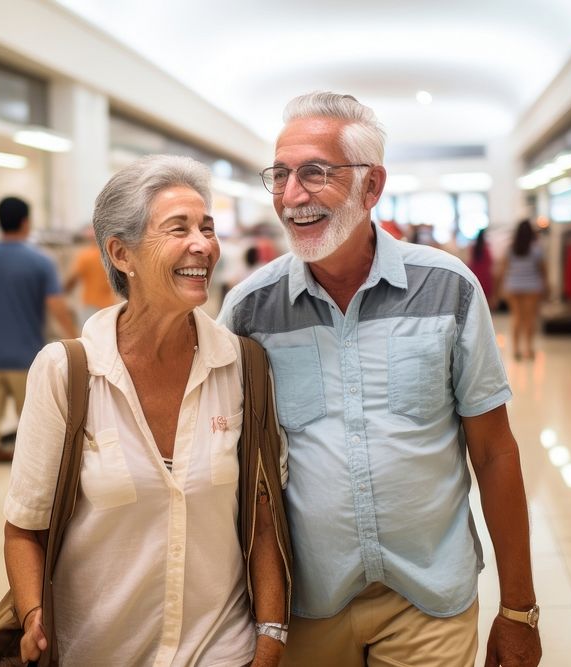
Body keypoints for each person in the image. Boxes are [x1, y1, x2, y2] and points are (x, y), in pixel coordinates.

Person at [219, 92, 541, 666]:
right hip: (303, 608)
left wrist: (519, 609)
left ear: (372, 186)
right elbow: (227, 468)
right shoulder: (249, 311)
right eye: (281, 175)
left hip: (428, 600)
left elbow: (494, 453)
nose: (292, 196)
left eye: (315, 173)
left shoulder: (448, 290)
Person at [4, 155, 291, 666]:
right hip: (97, 652)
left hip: (220, 648)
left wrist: (269, 641)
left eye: (207, 227)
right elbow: (24, 527)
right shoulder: (67, 371)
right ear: (122, 254)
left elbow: (263, 519)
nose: (202, 245)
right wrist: (32, 618)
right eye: (178, 228)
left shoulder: (241, 366)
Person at [0, 196, 76, 512]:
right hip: (27, 363)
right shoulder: (40, 262)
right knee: (36, 428)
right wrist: (79, 344)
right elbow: (57, 308)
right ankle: (39, 496)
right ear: (26, 221)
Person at [498, 220, 548, 360]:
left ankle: (515, 350)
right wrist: (546, 286)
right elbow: (543, 270)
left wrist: (501, 288)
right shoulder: (536, 249)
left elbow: (503, 269)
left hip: (513, 286)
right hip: (532, 287)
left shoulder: (511, 248)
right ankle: (529, 349)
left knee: (516, 317)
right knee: (529, 319)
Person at [64, 228, 120, 327]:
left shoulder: (85, 256)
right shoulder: (110, 256)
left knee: (89, 339)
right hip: (109, 306)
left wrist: (63, 292)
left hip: (90, 305)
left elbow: (73, 278)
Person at [467, 227, 495, 306]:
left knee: (476, 302)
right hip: (485, 277)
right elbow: (490, 262)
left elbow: (469, 263)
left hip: (475, 276)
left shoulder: (472, 248)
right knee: (486, 303)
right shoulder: (486, 249)